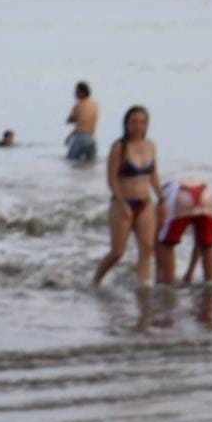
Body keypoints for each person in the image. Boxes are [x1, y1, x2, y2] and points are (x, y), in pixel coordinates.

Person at [93, 105, 166, 288]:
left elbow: (154, 175)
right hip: (122, 203)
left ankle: (143, 287)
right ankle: (96, 281)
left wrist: (162, 198)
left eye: (142, 122)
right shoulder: (119, 147)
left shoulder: (150, 146)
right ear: (126, 124)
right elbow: (111, 179)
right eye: (133, 122)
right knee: (118, 252)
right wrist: (122, 202)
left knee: (147, 249)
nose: (137, 126)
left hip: (145, 202)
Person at [155, 177, 212, 284]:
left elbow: (156, 240)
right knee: (207, 245)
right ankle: (210, 286)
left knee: (166, 244)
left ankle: (168, 285)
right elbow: (199, 242)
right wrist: (190, 272)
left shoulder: (160, 195)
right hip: (207, 192)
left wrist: (158, 271)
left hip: (178, 193)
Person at [65, 81, 99, 161]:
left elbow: (70, 119)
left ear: (81, 92)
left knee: (71, 161)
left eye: (76, 92)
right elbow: (84, 123)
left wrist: (72, 119)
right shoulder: (95, 104)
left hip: (80, 139)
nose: (75, 94)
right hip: (92, 139)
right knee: (90, 164)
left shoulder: (79, 104)